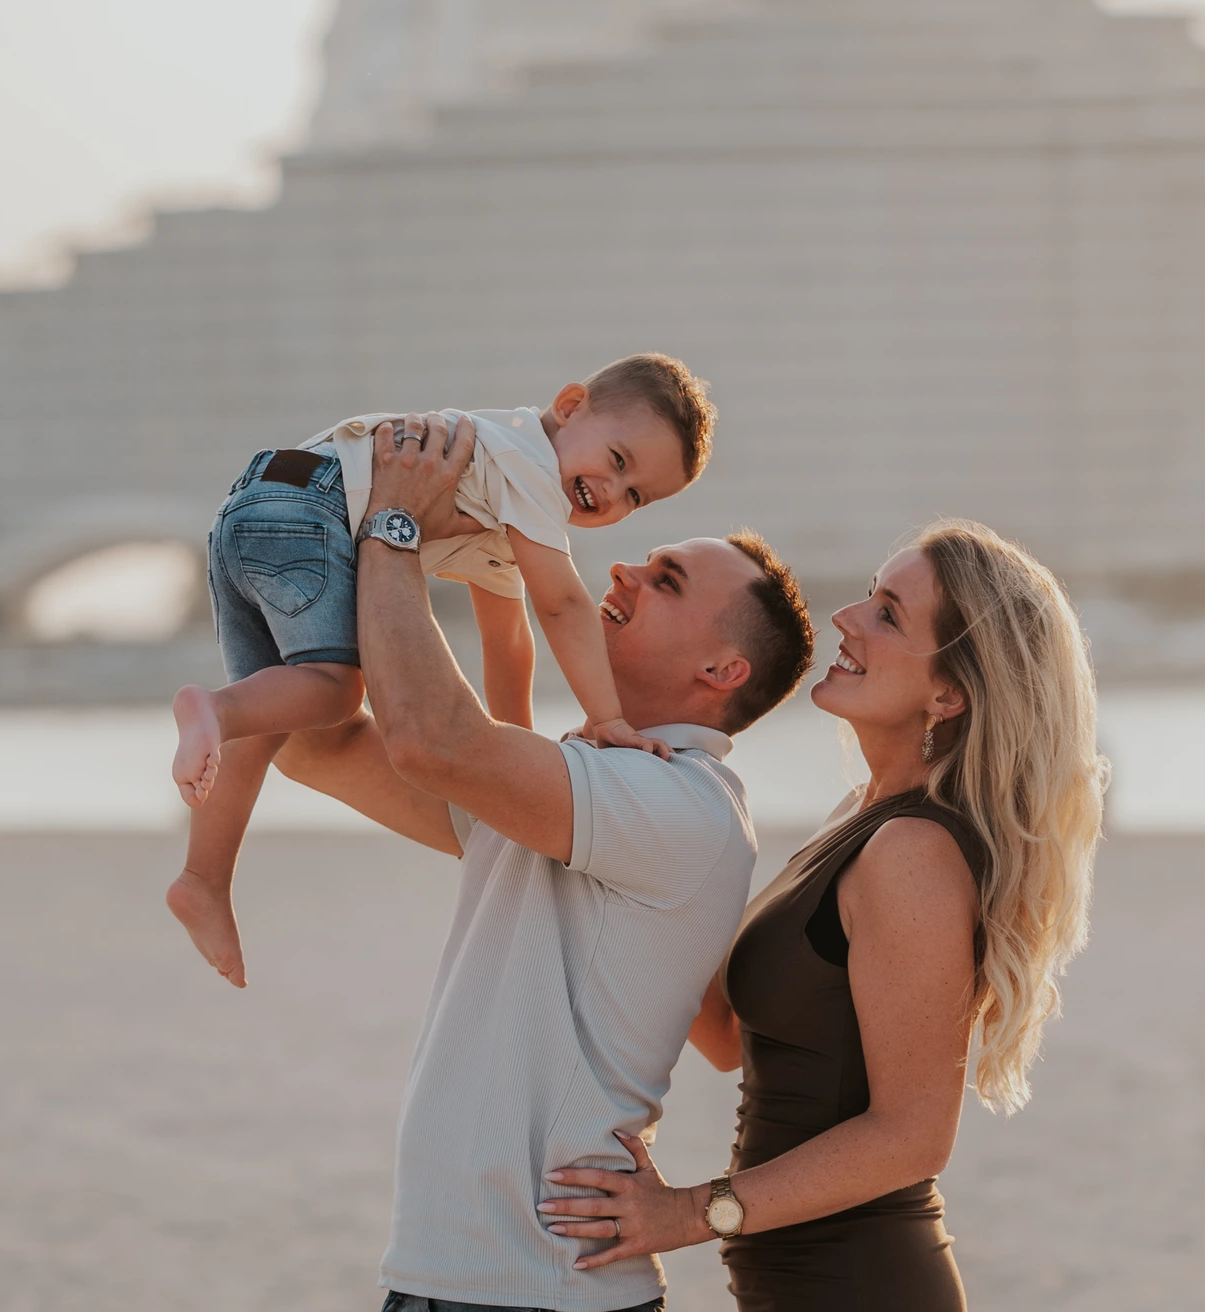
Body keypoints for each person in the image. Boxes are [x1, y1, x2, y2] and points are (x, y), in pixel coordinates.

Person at [275, 409, 816, 1312]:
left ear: (723, 669)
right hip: (449, 1279)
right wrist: (292, 532)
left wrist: (396, 522)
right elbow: (315, 745)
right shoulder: (575, 781)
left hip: (539, 1293)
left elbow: (432, 739)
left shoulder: (684, 807)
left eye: (667, 578)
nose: (623, 566)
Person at [538, 519, 1109, 1312]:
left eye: (887, 614)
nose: (846, 617)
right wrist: (642, 840)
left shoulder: (913, 850)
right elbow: (733, 1040)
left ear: (949, 692)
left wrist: (691, 1212)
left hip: (859, 1284)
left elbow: (913, 1137)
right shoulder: (865, 814)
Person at [167, 353, 715, 987]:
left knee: (266, 717)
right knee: (336, 689)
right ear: (569, 407)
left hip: (254, 502)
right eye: (618, 462)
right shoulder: (528, 468)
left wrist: (516, 765)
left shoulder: (501, 493)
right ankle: (211, 709)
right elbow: (562, 605)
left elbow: (508, 640)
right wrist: (607, 717)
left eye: (635, 497)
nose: (612, 494)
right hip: (311, 516)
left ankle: (201, 879)